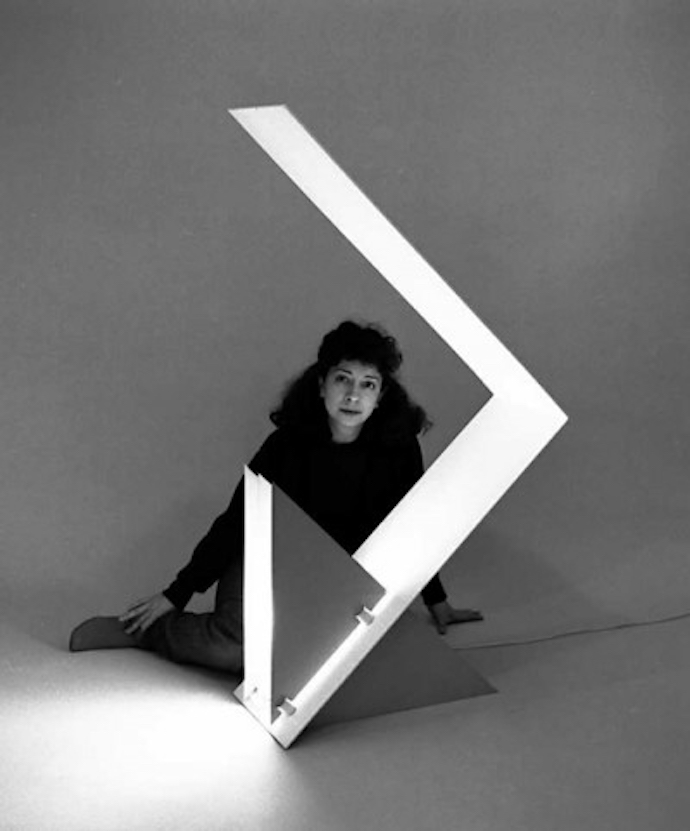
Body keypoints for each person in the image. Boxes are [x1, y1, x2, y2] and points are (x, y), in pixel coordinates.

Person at [70, 320, 483, 670]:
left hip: (329, 581)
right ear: (321, 385)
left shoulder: (399, 448)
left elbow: (413, 527)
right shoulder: (287, 445)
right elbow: (236, 519)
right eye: (342, 379)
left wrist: (437, 601)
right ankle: (148, 631)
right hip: (266, 561)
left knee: (333, 663)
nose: (353, 396)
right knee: (239, 649)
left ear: (380, 397)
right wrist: (176, 594)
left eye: (367, 384)